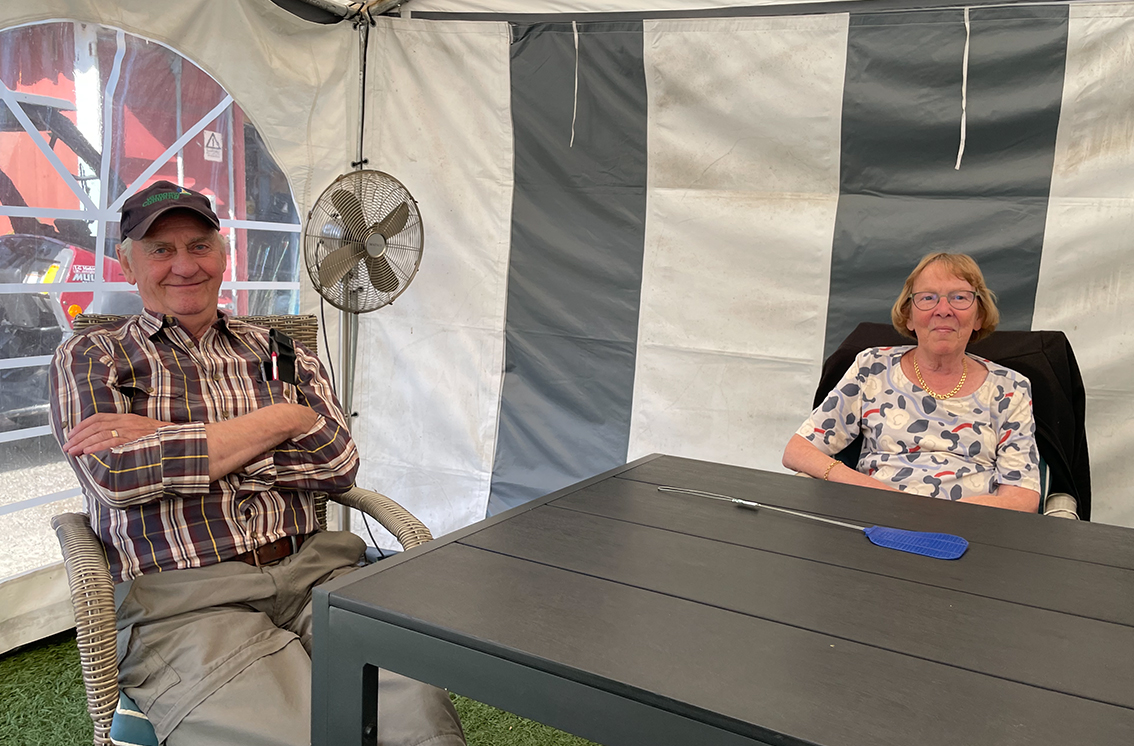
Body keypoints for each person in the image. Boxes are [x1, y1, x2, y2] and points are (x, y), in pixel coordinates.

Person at [49, 181, 465, 746]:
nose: (184, 265)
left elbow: (338, 464)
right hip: (185, 600)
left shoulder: (281, 350)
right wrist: (284, 421)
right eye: (160, 250)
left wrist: (170, 438)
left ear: (223, 256)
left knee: (421, 725)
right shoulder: (93, 355)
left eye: (199, 246)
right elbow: (117, 477)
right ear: (127, 265)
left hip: (318, 571)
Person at [782, 252, 1041, 512]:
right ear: (908, 316)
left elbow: (1022, 497)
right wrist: (867, 487)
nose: (943, 310)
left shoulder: (1010, 388)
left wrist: (947, 516)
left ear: (979, 317)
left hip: (967, 527)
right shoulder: (872, 367)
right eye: (928, 298)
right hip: (875, 516)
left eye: (960, 298)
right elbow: (798, 450)